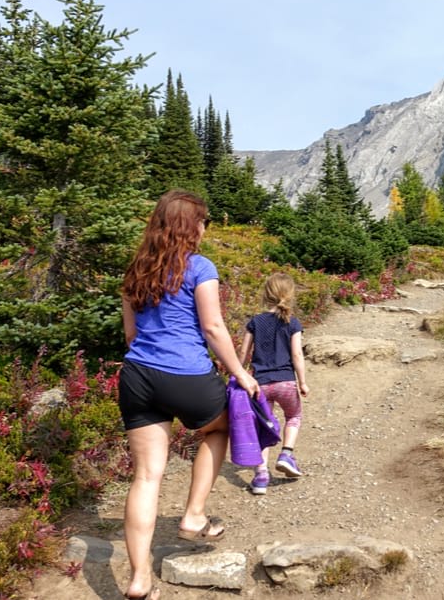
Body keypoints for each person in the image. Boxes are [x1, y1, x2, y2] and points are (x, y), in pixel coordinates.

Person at [117, 190, 258, 600]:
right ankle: (194, 516)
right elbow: (213, 328)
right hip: (187, 375)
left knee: (146, 476)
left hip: (138, 376)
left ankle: (140, 579)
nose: (204, 228)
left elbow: (130, 335)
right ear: (189, 225)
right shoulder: (199, 267)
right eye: (203, 220)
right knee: (218, 430)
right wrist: (240, 375)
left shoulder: (135, 271)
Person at [237, 272, 310, 494]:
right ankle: (287, 453)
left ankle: (260, 477)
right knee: (294, 416)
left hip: (260, 384)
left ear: (266, 294)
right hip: (286, 381)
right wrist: (303, 382)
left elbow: (243, 351)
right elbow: (297, 354)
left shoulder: (255, 322)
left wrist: (238, 373)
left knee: (264, 426)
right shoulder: (292, 322)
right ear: (290, 295)